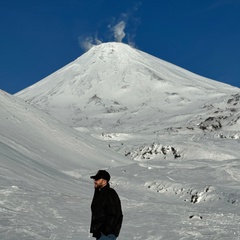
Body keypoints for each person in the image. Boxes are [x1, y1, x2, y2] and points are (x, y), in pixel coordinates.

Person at [90, 170, 123, 240]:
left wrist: (106, 230)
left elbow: (115, 214)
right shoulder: (99, 193)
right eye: (95, 179)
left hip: (107, 235)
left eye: (97, 179)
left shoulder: (110, 193)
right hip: (101, 234)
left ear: (104, 181)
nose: (95, 181)